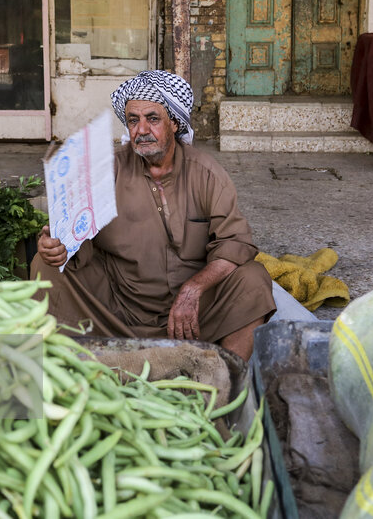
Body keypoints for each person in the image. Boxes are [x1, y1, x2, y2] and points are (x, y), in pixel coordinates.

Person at [31, 70, 275, 361]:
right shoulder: (105, 170)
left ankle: (225, 379)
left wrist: (193, 289)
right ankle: (82, 359)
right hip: (117, 310)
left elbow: (235, 244)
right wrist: (56, 246)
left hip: (192, 316)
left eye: (153, 118)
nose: (141, 130)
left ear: (174, 122)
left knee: (252, 279)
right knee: (44, 268)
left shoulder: (207, 174)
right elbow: (73, 237)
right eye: (133, 120)